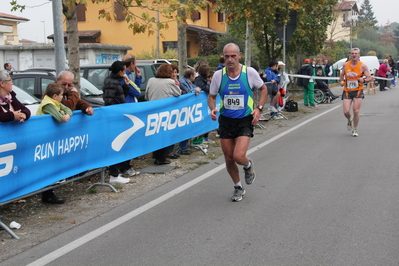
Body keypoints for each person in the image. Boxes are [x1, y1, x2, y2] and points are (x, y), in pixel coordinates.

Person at [208, 43, 267, 202]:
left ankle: (248, 165)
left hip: (244, 119)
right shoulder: (219, 75)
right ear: (223, 56)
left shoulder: (249, 73)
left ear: (239, 56)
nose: (230, 59)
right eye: (226, 56)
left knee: (238, 156)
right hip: (226, 120)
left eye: (233, 56)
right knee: (228, 158)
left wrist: (259, 108)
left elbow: (263, 89)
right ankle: (238, 187)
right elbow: (211, 96)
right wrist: (212, 109)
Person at [36, 83, 73, 204]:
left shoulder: (55, 102)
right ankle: (46, 195)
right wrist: (63, 114)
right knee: (46, 167)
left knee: (51, 167)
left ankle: (49, 194)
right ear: (55, 95)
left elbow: (68, 109)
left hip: (50, 139)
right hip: (43, 140)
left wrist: (66, 113)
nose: (63, 97)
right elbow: (59, 118)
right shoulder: (48, 104)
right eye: (62, 95)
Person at [103, 61, 137, 184]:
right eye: (123, 70)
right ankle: (114, 174)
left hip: (119, 115)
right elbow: (109, 100)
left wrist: (126, 85)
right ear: (119, 71)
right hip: (115, 118)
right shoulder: (110, 82)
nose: (125, 73)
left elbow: (122, 96)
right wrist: (116, 113)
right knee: (116, 144)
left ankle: (118, 171)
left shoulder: (117, 81)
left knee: (122, 143)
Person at [145, 64, 181, 165]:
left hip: (152, 110)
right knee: (163, 135)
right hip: (165, 112)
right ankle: (161, 159)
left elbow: (147, 95)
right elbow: (178, 93)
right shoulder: (170, 82)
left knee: (155, 134)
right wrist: (176, 83)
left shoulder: (151, 80)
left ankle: (155, 155)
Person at [339, 47, 372, 137]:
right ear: (350, 55)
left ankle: (355, 129)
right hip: (347, 90)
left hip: (358, 90)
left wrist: (364, 80)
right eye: (352, 53)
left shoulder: (363, 66)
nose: (354, 55)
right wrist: (342, 82)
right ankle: (350, 119)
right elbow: (342, 75)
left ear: (359, 55)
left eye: (355, 53)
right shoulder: (346, 65)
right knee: (346, 112)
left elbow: (370, 77)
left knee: (356, 110)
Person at [177, 68, 201, 155]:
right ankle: (181, 148)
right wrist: (195, 91)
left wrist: (196, 90)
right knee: (184, 128)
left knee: (187, 128)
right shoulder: (183, 82)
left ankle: (184, 147)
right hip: (183, 108)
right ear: (191, 76)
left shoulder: (189, 82)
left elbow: (196, 88)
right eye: (194, 75)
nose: (195, 77)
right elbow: (189, 92)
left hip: (188, 108)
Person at [194, 64, 214, 144]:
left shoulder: (205, 79)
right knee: (201, 121)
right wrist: (212, 90)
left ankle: (205, 137)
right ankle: (199, 140)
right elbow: (204, 88)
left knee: (207, 120)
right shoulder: (199, 80)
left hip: (205, 103)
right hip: (200, 104)